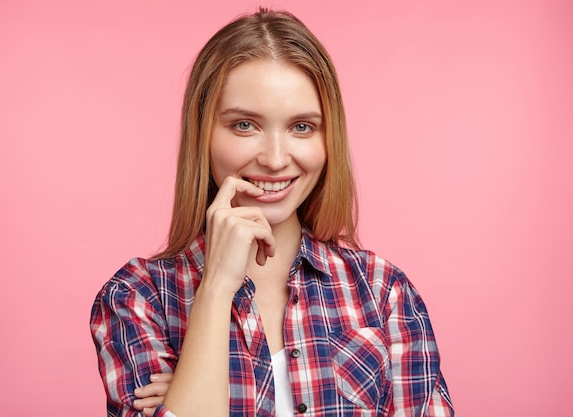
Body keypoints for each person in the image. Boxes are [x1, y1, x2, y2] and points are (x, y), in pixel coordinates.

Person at [90, 8, 454, 417]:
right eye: (245, 125)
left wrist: (191, 394)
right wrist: (215, 288)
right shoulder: (137, 298)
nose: (276, 160)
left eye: (302, 127)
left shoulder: (383, 292)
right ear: (203, 133)